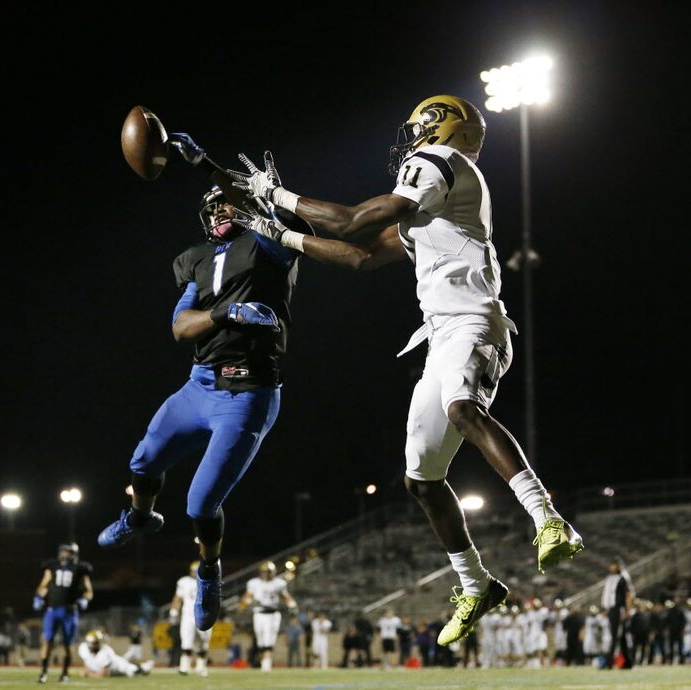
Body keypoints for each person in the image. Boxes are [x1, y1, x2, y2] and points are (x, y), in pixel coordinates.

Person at [231, 95, 584, 646]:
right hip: (440, 335)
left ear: (439, 126)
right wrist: (280, 233)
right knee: (421, 480)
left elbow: (350, 221)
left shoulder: (438, 162)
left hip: (474, 321)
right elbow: (359, 256)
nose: (412, 134)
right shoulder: (435, 201)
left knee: (463, 408)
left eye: (421, 124)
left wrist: (274, 194)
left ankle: (548, 518)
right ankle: (476, 583)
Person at [98, 132, 307, 633]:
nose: (219, 212)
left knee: (199, 503)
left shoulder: (268, 245)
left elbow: (287, 220)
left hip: (249, 394)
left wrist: (207, 166)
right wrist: (227, 312)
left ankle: (209, 570)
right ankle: (140, 517)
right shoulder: (195, 258)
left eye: (227, 204)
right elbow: (179, 326)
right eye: (212, 208)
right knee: (143, 460)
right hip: (199, 386)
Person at [32, 542, 93, 684]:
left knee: (67, 644)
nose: (64, 554)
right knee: (47, 641)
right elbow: (44, 584)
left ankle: (65, 673)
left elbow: (89, 591)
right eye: (63, 551)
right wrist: (38, 596)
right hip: (52, 610)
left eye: (67, 552)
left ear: (74, 554)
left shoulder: (80, 569)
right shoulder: (52, 566)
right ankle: (43, 673)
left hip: (69, 612)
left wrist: (85, 599)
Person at [240, 561, 298, 672]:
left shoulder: (279, 583)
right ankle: (264, 661)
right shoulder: (254, 583)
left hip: (273, 614)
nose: (267, 574)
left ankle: (266, 664)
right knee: (261, 640)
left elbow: (286, 597)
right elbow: (247, 597)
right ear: (261, 572)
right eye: (265, 572)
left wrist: (292, 605)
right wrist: (246, 603)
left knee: (269, 638)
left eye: (269, 572)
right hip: (259, 614)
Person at [171, 561, 211, 676]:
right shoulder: (184, 582)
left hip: (204, 615)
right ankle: (184, 667)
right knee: (186, 642)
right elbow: (178, 598)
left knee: (203, 643)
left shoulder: (209, 582)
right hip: (188, 616)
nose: (195, 573)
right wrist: (174, 611)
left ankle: (201, 667)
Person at [78, 630, 154, 678]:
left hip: (121, 668)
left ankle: (145, 667)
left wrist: (88, 675)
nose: (92, 646)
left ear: (98, 642)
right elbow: (87, 662)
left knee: (136, 671)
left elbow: (105, 674)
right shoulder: (83, 648)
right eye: (91, 643)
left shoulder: (104, 652)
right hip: (114, 670)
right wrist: (87, 671)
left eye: (94, 643)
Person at [601, 559, 633, 669]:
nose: (611, 567)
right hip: (612, 610)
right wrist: (606, 610)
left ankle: (609, 662)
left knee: (615, 636)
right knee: (621, 636)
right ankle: (628, 663)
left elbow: (628, 595)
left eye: (613, 565)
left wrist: (627, 611)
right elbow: (609, 597)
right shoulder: (610, 578)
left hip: (619, 610)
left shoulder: (623, 578)